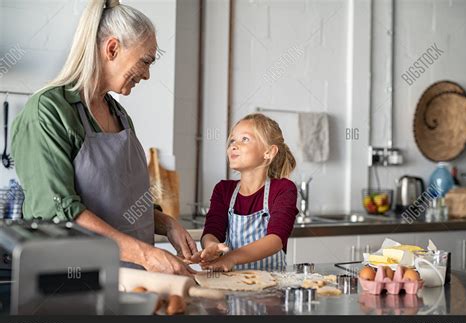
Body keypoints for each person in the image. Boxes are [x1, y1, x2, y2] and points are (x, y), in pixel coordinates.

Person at [11, 0, 197, 275]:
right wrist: (145, 254)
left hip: (129, 281)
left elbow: (120, 202)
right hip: (73, 282)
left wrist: (167, 224)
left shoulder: (119, 114)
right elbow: (57, 212)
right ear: (112, 49)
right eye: (145, 61)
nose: (146, 74)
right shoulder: (48, 111)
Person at [191, 114, 299, 271]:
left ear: (268, 152)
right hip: (231, 285)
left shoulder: (283, 189)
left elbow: (276, 240)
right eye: (233, 140)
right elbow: (212, 231)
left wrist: (232, 258)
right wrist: (212, 247)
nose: (233, 146)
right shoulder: (223, 190)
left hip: (272, 286)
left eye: (245, 139)